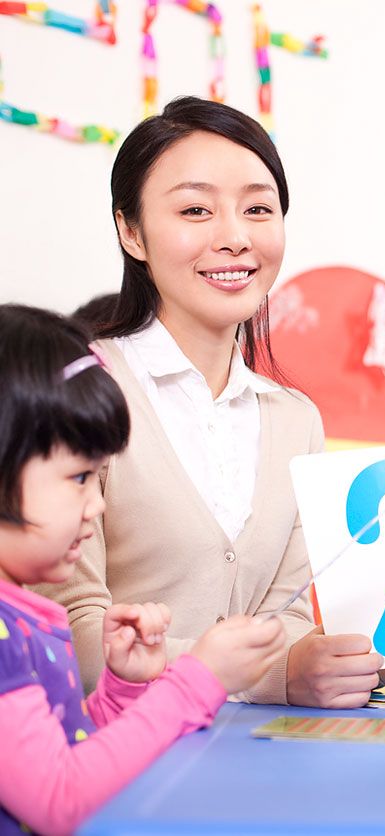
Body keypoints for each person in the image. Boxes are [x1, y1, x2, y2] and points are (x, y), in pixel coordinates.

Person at [42, 97, 385, 709]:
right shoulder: (78, 392)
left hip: (258, 762)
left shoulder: (295, 419)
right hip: (110, 769)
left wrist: (380, 666)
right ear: (131, 231)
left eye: (258, 208)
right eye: (195, 209)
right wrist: (269, 675)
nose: (234, 237)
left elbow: (288, 617)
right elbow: (65, 633)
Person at [0, 304, 288, 835]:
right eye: (79, 478)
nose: (98, 504)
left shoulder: (22, 613)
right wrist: (196, 680)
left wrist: (121, 691)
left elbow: (67, 752)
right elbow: (56, 799)